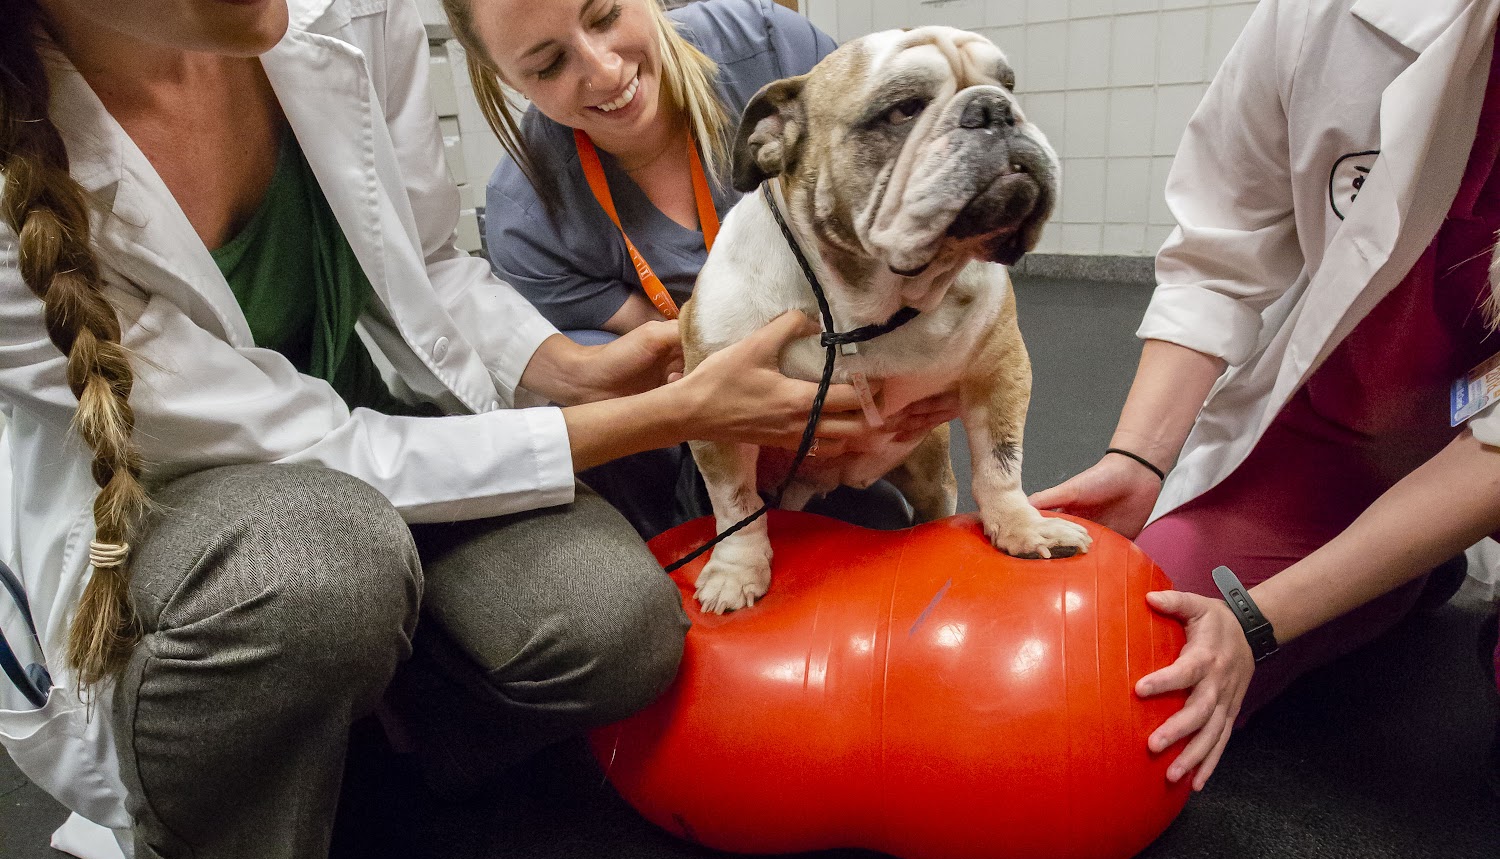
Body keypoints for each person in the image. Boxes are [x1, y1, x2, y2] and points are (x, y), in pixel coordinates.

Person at [0, 0, 891, 859]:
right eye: (550, 60)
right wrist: (665, 415)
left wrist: (572, 370)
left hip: (385, 438)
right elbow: (325, 453)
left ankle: (346, 741)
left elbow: (426, 265)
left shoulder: (337, 14)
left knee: (614, 627)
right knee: (321, 567)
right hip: (189, 517)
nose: (597, 72)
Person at [1030, 0, 1500, 792]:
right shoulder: (1327, 13)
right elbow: (1223, 245)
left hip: (1474, 464)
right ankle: (1406, 575)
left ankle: (1403, 572)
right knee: (1109, 683)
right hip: (1337, 443)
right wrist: (1138, 458)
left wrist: (1256, 622)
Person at [448, 0, 959, 538]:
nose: (604, 71)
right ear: (504, 77)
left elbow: (895, 200)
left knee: (877, 523)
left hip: (855, 346)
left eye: (604, 16)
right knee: (590, 360)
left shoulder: (771, 50)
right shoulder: (527, 216)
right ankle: (679, 527)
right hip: (694, 402)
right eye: (548, 64)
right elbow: (671, 346)